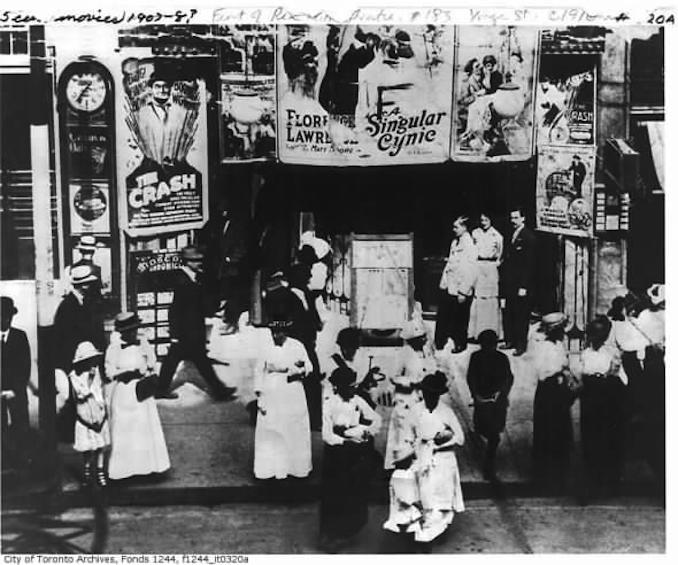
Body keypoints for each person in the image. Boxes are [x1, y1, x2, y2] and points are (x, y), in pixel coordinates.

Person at [384, 372, 465, 544]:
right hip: (421, 455)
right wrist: (409, 451)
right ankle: (422, 530)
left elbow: (460, 438)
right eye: (427, 392)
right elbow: (407, 435)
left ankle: (436, 531)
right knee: (422, 495)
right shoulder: (415, 410)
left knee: (441, 497)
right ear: (422, 392)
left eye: (434, 393)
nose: (430, 396)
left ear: (438, 394)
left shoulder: (446, 411)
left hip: (443, 458)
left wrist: (439, 443)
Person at [157, 246, 237, 401]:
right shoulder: (181, 279)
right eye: (195, 260)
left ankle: (161, 388)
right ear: (186, 262)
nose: (199, 263)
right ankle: (220, 391)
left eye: (200, 260)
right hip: (185, 332)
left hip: (193, 329)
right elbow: (175, 309)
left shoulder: (196, 277)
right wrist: (174, 334)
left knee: (187, 360)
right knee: (189, 361)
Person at [320, 366, 382, 552]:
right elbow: (326, 434)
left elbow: (376, 419)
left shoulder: (358, 400)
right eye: (349, 386)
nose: (353, 389)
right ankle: (328, 535)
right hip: (336, 455)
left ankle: (346, 531)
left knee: (354, 492)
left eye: (354, 385)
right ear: (338, 387)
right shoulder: (330, 404)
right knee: (335, 494)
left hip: (355, 454)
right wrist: (345, 440)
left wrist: (365, 431)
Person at [106, 313, 170, 481]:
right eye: (128, 331)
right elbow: (109, 371)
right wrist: (124, 373)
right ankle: (123, 471)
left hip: (141, 392)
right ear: (121, 332)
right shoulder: (114, 348)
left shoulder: (143, 344)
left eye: (134, 330)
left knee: (143, 429)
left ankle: (146, 469)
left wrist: (147, 368)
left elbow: (152, 363)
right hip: (123, 392)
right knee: (124, 430)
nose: (132, 334)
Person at [253, 320, 312, 481]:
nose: (275, 335)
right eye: (273, 331)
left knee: (293, 428)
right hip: (271, 392)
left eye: (278, 332)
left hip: (292, 392)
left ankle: (295, 468)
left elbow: (309, 367)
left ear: (286, 332)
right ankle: (270, 469)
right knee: (271, 428)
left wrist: (298, 371)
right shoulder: (265, 347)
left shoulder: (297, 346)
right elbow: (259, 371)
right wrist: (260, 396)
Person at [53, 264, 106, 443]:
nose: (90, 286)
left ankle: (76, 431)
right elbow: (65, 338)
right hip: (73, 361)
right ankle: (67, 433)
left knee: (83, 396)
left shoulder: (84, 302)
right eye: (88, 283)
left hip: (85, 358)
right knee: (75, 396)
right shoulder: (67, 306)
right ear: (82, 285)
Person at [578, 316, 626, 493]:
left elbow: (618, 377)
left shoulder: (612, 353)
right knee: (591, 437)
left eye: (599, 334)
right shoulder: (586, 354)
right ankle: (593, 476)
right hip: (591, 397)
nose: (595, 338)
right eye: (592, 334)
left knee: (609, 437)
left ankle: (611, 479)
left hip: (608, 397)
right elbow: (583, 375)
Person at [384, 319, 437, 470]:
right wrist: (411, 382)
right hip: (406, 400)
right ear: (413, 339)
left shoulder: (426, 353)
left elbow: (432, 369)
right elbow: (393, 376)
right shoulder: (403, 354)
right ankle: (398, 465)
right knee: (402, 435)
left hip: (422, 400)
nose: (425, 339)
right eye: (421, 337)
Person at [531, 313, 576, 484]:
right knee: (547, 430)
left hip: (559, 391)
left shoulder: (559, 345)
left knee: (561, 431)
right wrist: (560, 371)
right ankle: (544, 474)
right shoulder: (543, 347)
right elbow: (542, 372)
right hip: (548, 391)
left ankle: (560, 472)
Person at [466, 329, 514, 481]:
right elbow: (471, 377)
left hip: (497, 403)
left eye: (490, 345)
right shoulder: (476, 357)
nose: (488, 348)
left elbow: (508, 378)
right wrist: (476, 395)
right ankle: (487, 459)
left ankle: (489, 467)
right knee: (482, 430)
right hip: (482, 402)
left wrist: (501, 393)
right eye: (485, 345)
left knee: (494, 436)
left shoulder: (502, 358)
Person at [287, 262, 324, 430]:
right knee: (298, 382)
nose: (309, 278)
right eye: (306, 275)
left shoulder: (307, 294)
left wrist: (316, 324)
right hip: (295, 345)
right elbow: (277, 322)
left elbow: (313, 316)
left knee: (313, 381)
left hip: (309, 344)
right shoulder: (285, 296)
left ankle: (315, 420)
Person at [68, 342, 110, 487]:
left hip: (98, 412)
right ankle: (87, 472)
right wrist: (89, 384)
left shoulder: (96, 372)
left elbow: (99, 391)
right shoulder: (74, 376)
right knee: (87, 448)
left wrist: (102, 407)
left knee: (100, 446)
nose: (92, 362)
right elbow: (81, 394)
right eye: (89, 359)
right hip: (85, 414)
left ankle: (100, 472)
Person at [435, 216, 478, 353]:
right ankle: (440, 341)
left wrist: (463, 291)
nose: (454, 230)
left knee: (460, 318)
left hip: (460, 287)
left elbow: (471, 270)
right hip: (450, 284)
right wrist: (444, 283)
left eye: (456, 227)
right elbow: (450, 264)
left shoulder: (469, 245)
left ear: (464, 228)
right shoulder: (455, 242)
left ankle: (460, 343)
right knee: (445, 314)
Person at [500, 207, 536, 356]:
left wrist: (524, 285)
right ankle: (510, 340)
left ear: (523, 219)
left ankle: (521, 345)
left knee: (521, 315)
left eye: (516, 218)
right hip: (509, 282)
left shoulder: (529, 237)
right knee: (509, 312)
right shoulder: (511, 235)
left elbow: (530, 264)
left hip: (521, 283)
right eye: (511, 218)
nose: (513, 221)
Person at [1, 296, 31, 468]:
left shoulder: (20, 337)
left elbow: (24, 367)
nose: (5, 320)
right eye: (1, 316)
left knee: (21, 426)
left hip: (16, 391)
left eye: (8, 316)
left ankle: (21, 460)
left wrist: (15, 390)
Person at [321, 327, 382, 408]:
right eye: (344, 347)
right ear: (340, 346)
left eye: (351, 348)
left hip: (356, 401)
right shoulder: (331, 363)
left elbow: (364, 384)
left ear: (356, 347)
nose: (346, 351)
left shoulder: (362, 361)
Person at [469, 213, 503, 340]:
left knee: (491, 299)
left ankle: (492, 333)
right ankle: (476, 333)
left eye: (486, 220)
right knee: (478, 298)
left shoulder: (497, 236)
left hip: (491, 267)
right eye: (482, 220)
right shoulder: (475, 233)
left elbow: (500, 253)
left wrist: (494, 264)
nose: (483, 222)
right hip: (478, 265)